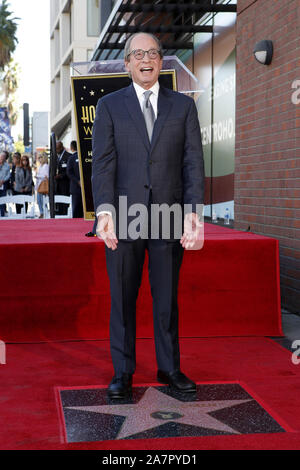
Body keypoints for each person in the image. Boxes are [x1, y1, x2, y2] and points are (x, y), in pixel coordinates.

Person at [92, 33, 205, 399]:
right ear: (126, 63)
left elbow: (192, 163)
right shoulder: (109, 106)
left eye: (152, 53)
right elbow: (103, 165)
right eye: (138, 54)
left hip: (169, 215)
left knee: (166, 297)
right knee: (123, 296)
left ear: (161, 62)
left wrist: (194, 213)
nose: (146, 59)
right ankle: (123, 371)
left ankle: (169, 367)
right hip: (125, 215)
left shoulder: (183, 107)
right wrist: (105, 211)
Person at [67, 140, 83, 218]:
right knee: (76, 209)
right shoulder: (72, 158)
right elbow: (69, 172)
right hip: (75, 188)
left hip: (85, 189)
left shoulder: (84, 156)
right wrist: (78, 181)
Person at [55, 141, 70, 215]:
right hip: (57, 184)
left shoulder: (68, 156)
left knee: (65, 203)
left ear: (61, 147)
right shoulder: (56, 156)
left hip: (65, 184)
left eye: (57, 148)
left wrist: (61, 176)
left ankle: (65, 215)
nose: (56, 150)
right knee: (59, 202)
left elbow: (69, 171)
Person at [36, 153, 49, 218]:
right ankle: (42, 212)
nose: (39, 159)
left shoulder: (46, 166)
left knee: (43, 200)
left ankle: (44, 212)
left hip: (43, 184)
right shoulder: (40, 166)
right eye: (39, 158)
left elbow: (46, 176)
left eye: (40, 157)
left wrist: (38, 176)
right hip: (39, 185)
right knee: (39, 200)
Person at [0, 152, 11, 216]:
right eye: (1, 156)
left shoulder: (7, 166)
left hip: (3, 184)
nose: (1, 158)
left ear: (5, 158)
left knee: (3, 199)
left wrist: (3, 181)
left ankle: (2, 214)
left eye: (3, 157)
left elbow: (8, 175)